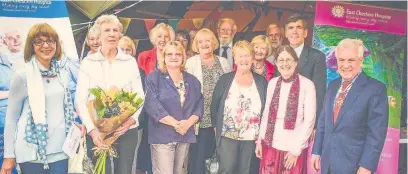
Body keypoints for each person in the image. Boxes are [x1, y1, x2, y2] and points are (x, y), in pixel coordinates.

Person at [1, 23, 84, 174]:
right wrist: (8, 156)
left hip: (60, 150)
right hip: (30, 152)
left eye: (50, 41)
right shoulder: (22, 75)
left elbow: (63, 108)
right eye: (39, 41)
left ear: (56, 44)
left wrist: (75, 125)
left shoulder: (62, 73)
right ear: (31, 46)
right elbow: (11, 119)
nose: (45, 45)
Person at [75, 14, 145, 174]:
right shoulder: (88, 63)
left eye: (116, 30)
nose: (112, 34)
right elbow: (80, 100)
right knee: (100, 171)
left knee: (125, 171)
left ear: (120, 34)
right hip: (97, 131)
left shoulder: (129, 61)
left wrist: (129, 122)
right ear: (99, 34)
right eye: (107, 30)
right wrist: (93, 131)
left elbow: (140, 96)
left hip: (126, 130)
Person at [311, 39, 389, 174]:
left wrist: (366, 167)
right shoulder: (333, 86)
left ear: (361, 60)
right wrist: (316, 151)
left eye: (351, 60)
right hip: (327, 164)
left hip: (354, 167)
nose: (345, 65)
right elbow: (323, 120)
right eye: (341, 60)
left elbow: (376, 134)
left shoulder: (376, 89)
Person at [145, 41, 203, 174]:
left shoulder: (192, 80)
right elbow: (152, 105)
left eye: (178, 54)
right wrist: (176, 124)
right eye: (169, 54)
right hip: (163, 136)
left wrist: (188, 123)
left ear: (183, 57)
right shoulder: (154, 78)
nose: (173, 57)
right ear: (163, 57)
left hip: (185, 134)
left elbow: (200, 104)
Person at [256, 45, 316, 174]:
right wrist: (259, 140)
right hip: (271, 146)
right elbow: (266, 114)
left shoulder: (307, 85)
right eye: (281, 60)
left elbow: (310, 121)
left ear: (296, 62)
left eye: (289, 59)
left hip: (293, 149)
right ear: (276, 63)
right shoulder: (272, 83)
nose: (285, 64)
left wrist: (296, 150)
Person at [211, 41, 268, 174]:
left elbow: (266, 110)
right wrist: (216, 128)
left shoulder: (261, 82)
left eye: (247, 55)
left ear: (252, 58)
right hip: (228, 136)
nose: (244, 59)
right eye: (240, 56)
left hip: (251, 139)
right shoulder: (225, 80)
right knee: (226, 170)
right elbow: (214, 106)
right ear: (235, 59)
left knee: (246, 171)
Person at [185, 28, 231, 174]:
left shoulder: (223, 62)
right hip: (200, 117)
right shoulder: (191, 62)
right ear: (196, 45)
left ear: (213, 42)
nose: (204, 44)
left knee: (216, 155)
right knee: (198, 156)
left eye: (207, 40)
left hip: (219, 117)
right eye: (200, 41)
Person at [284, 14, 326, 140]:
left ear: (306, 32)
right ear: (286, 33)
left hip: (304, 121)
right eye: (291, 28)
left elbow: (320, 92)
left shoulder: (317, 56)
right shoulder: (280, 55)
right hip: (281, 119)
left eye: (299, 27)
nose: (295, 31)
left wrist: (314, 125)